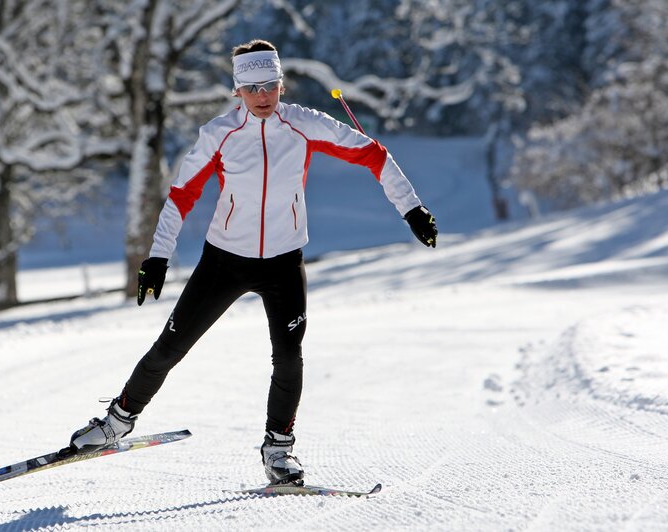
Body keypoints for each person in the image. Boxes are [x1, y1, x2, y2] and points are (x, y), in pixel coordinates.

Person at [67, 39, 438, 485]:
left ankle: (278, 451)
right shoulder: (218, 135)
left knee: (289, 357)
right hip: (224, 260)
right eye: (251, 87)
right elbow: (182, 196)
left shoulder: (305, 124)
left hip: (283, 261)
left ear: (282, 84)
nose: (262, 96)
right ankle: (116, 423)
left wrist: (411, 208)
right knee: (170, 347)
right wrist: (158, 257)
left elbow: (373, 154)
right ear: (236, 90)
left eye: (270, 86)